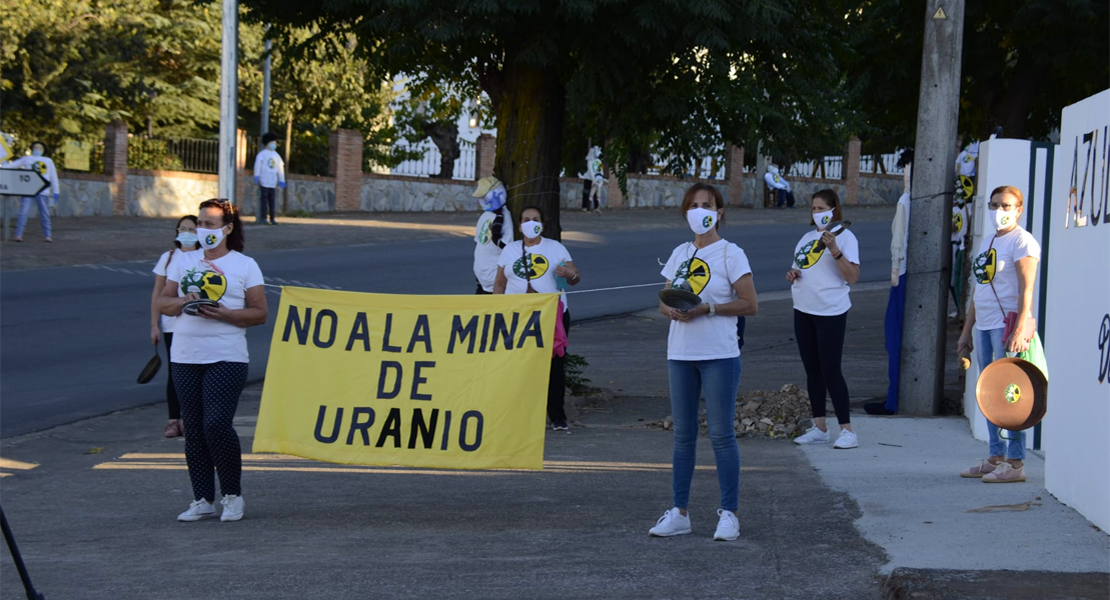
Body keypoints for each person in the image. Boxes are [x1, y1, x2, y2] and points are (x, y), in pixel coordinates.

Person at [649, 183, 758, 542]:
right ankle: (679, 512)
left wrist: (708, 308)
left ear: (720, 212)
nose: (700, 211)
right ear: (686, 213)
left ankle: (730, 514)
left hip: (719, 356)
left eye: (707, 205)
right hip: (680, 354)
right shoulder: (680, 252)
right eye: (693, 205)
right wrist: (672, 311)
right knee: (683, 437)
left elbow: (750, 303)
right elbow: (665, 300)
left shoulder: (731, 254)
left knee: (722, 436)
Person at [158, 199, 268, 522]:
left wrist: (229, 314)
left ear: (228, 228)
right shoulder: (182, 261)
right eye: (201, 224)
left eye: (211, 224)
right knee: (193, 428)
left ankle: (232, 496)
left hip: (227, 355)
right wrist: (182, 301)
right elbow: (163, 302)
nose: (204, 230)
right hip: (185, 355)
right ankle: (202, 499)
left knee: (216, 424)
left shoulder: (245, 265)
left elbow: (259, 313)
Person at [958, 186, 1040, 484]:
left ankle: (1016, 462)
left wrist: (1021, 326)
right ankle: (995, 457)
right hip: (984, 325)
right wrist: (966, 331)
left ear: (1019, 209)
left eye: (1006, 205)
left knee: (1011, 394)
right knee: (990, 392)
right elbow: (978, 290)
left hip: (1007, 325)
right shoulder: (987, 241)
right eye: (994, 205)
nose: (999, 211)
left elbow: (1027, 287)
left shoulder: (1023, 241)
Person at [493, 206, 581, 430]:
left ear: (542, 223)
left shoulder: (555, 247)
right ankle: (519, 413)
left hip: (552, 315)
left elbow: (575, 277)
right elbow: (500, 284)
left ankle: (557, 416)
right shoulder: (510, 250)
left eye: (536, 219)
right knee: (517, 363)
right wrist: (497, 309)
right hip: (518, 316)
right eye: (526, 219)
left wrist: (570, 274)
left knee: (554, 365)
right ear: (519, 224)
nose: (531, 223)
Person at [788, 189, 861, 449]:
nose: (817, 213)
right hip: (803, 309)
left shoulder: (846, 238)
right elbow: (801, 266)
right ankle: (820, 427)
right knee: (813, 370)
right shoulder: (806, 238)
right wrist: (793, 274)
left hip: (830, 310)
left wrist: (834, 249)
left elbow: (851, 276)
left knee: (831, 370)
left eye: (822, 209)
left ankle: (847, 430)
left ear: (834, 210)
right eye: (814, 209)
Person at [866, 152, 913, 416]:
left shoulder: (906, 200)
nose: (906, 174)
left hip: (903, 274)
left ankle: (893, 400)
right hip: (907, 273)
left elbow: (899, 239)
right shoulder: (914, 199)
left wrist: (895, 269)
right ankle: (893, 397)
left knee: (893, 337)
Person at [150, 215, 200, 438]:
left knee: (196, 370)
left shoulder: (203, 258)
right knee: (175, 372)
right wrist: (154, 325)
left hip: (196, 322)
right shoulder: (168, 258)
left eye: (192, 229)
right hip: (171, 323)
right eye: (183, 229)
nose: (187, 233)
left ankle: (191, 419)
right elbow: (157, 294)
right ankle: (173, 420)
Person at [2, 141, 60, 242]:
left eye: (40, 148)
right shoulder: (27, 159)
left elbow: (53, 176)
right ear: (32, 149)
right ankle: (18, 235)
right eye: (35, 147)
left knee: (44, 214)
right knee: (23, 212)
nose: (37, 149)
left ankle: (47, 235)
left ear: (43, 150)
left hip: (43, 191)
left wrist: (56, 190)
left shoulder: (48, 161)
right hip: (28, 190)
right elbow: (13, 165)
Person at [472, 176, 513, 294]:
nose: (483, 201)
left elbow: (507, 246)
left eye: (485, 196)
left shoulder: (505, 218)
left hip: (495, 283)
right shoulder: (485, 216)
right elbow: (478, 242)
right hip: (481, 280)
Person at [253, 132, 286, 225]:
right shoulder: (262, 154)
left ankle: (272, 218)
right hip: (264, 181)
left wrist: (281, 179)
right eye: (272, 142)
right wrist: (256, 176)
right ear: (267, 143)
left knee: (272, 202)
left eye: (275, 143)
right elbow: (257, 165)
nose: (274, 144)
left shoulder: (276, 155)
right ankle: (264, 218)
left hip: (273, 182)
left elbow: (280, 167)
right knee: (264, 201)